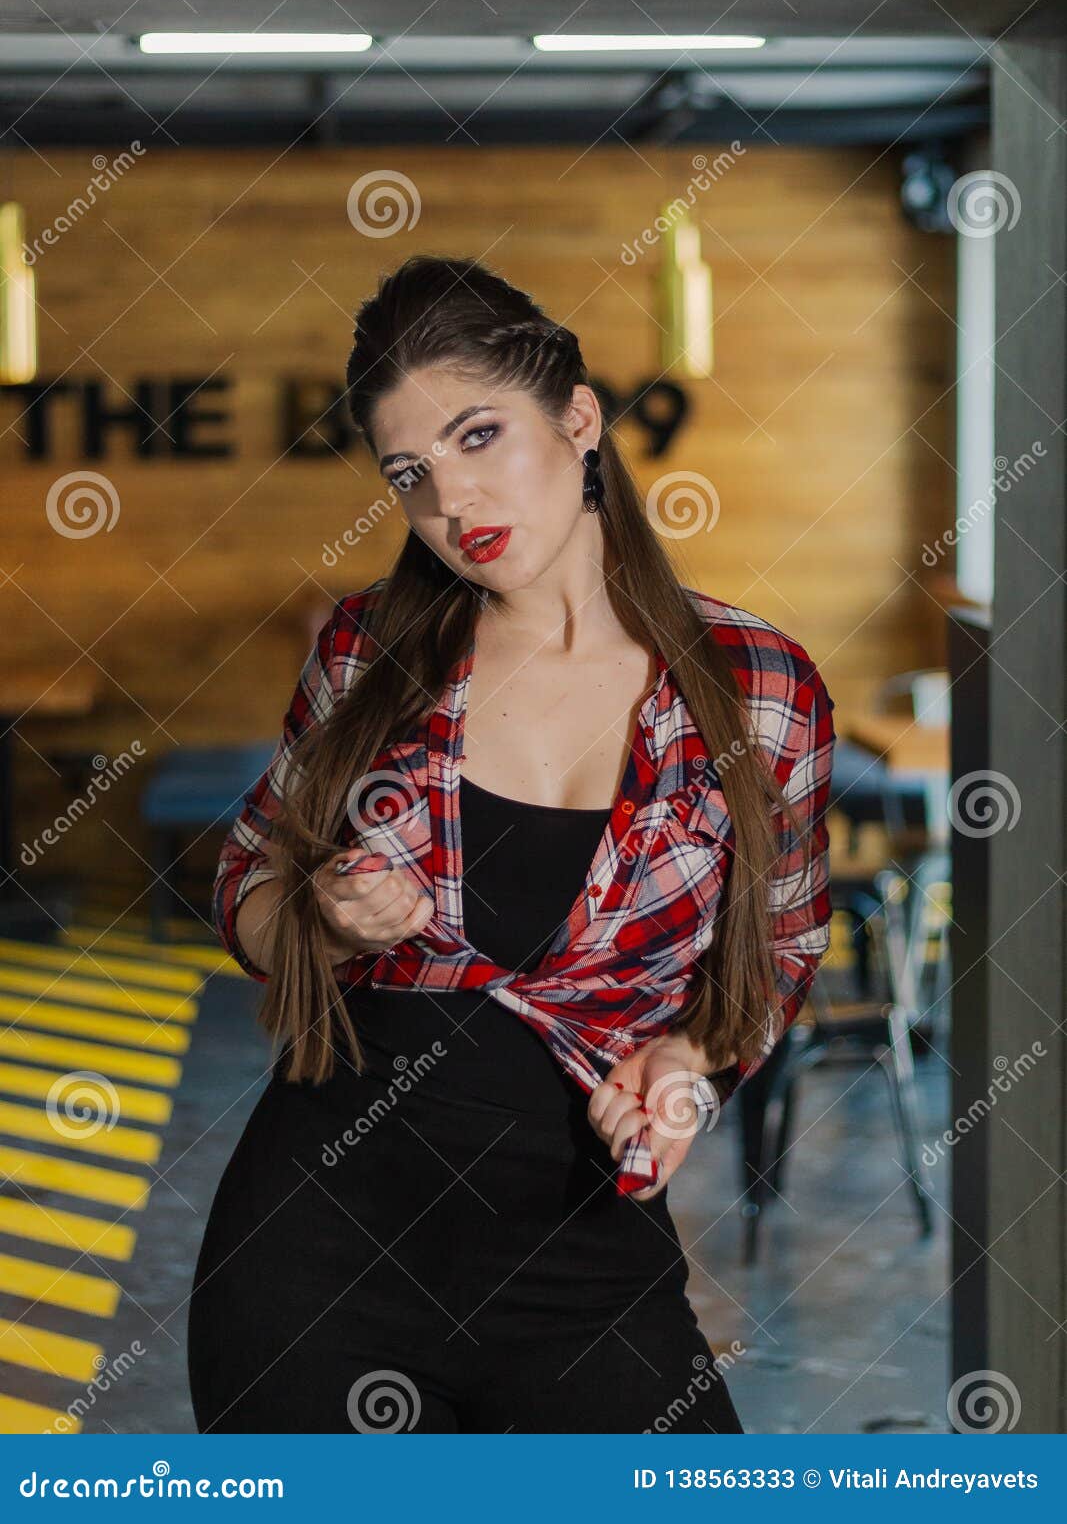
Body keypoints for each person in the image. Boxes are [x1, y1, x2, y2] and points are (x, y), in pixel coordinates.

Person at [186, 254, 836, 1434]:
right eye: (410, 474)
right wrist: (323, 918)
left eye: (478, 437)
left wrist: (688, 1063)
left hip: (581, 1257)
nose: (450, 503)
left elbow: (778, 952)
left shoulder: (759, 689)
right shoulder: (367, 651)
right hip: (318, 1251)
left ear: (577, 418)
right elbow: (244, 890)